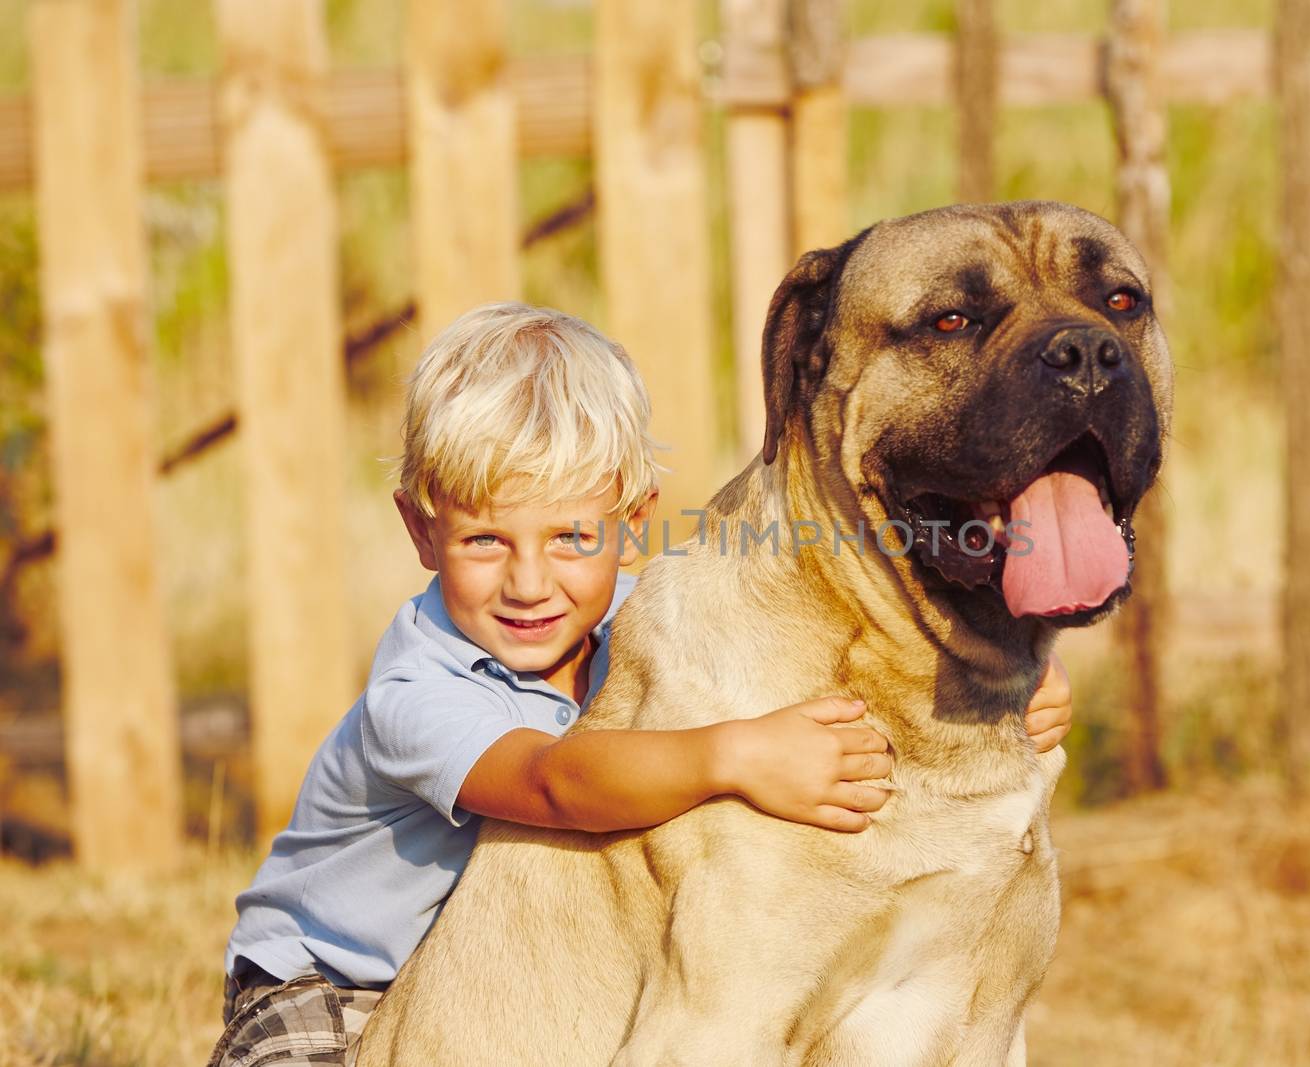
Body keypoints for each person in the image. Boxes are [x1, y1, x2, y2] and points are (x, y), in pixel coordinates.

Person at [206, 302, 1073, 1066]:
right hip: (331, 983)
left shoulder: (640, 618)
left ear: (633, 524)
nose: (530, 583)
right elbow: (556, 781)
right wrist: (735, 755)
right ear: (420, 530)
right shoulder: (420, 689)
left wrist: (1000, 699)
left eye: (571, 539)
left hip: (493, 976)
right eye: (485, 542)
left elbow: (815, 645)